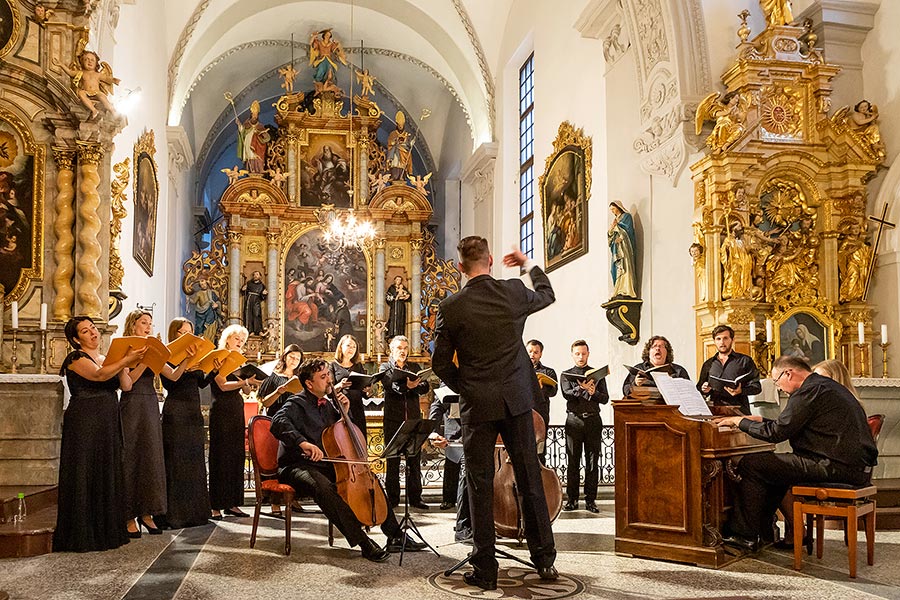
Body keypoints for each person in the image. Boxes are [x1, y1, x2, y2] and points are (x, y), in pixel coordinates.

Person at [432, 237, 558, 590]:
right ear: (490, 260)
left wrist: (468, 385)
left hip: (478, 403)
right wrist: (527, 263)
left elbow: (439, 363)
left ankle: (485, 568)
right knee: (530, 478)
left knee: (479, 483)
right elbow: (547, 294)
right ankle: (544, 559)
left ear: (460, 267)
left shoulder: (452, 306)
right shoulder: (514, 292)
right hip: (517, 400)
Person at [715, 356, 878, 553]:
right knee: (775, 469)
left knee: (752, 464)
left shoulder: (808, 391)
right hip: (850, 466)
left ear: (789, 373)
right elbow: (793, 425)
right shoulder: (823, 386)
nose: (778, 387)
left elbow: (777, 433)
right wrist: (759, 420)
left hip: (834, 466)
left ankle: (743, 536)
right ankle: (762, 530)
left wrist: (739, 422)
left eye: (776, 381)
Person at [270, 359, 427, 561]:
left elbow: (342, 434)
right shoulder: (296, 403)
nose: (330, 380)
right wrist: (303, 443)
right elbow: (277, 422)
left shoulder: (328, 405)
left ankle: (395, 535)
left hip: (324, 464)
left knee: (371, 479)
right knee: (324, 488)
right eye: (323, 377)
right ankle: (363, 542)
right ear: (309, 384)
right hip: (296, 466)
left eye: (329, 375)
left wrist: (345, 412)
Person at [54, 317, 145, 552]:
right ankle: (83, 534)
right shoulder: (76, 358)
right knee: (85, 471)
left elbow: (125, 386)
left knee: (106, 469)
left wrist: (126, 365)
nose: (93, 333)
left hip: (107, 421)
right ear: (76, 339)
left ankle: (105, 531)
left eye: (93, 328)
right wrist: (124, 359)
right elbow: (98, 376)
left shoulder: (107, 360)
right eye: (86, 331)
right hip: (85, 421)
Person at [119, 310, 192, 537]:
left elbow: (172, 376)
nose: (148, 327)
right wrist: (145, 361)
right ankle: (128, 515)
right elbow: (127, 383)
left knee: (150, 456)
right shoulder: (125, 348)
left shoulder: (153, 348)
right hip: (132, 405)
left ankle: (147, 513)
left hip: (150, 404)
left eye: (150, 323)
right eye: (143, 323)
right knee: (131, 456)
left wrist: (188, 359)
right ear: (133, 325)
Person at [160, 318, 212, 529]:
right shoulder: (167, 355)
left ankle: (196, 513)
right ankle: (176, 515)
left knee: (194, 461)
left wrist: (215, 368)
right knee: (177, 461)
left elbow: (201, 382)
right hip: (176, 412)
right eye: (183, 332)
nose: (187, 336)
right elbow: (171, 381)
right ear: (175, 334)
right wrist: (186, 362)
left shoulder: (195, 356)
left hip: (192, 412)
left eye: (190, 332)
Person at [209, 324, 262, 520]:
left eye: (242, 340)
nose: (240, 342)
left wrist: (249, 381)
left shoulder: (240, 361)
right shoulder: (219, 357)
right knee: (220, 456)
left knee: (235, 456)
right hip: (221, 409)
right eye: (237, 338)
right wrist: (244, 382)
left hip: (235, 409)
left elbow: (247, 392)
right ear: (227, 339)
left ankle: (232, 503)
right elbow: (221, 385)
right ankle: (215, 505)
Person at [378, 335, 430, 509]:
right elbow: (390, 387)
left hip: (413, 419)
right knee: (393, 459)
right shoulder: (385, 367)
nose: (403, 351)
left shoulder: (414, 367)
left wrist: (415, 386)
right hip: (394, 420)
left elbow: (425, 386)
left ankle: (415, 498)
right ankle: (392, 498)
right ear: (391, 350)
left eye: (405, 348)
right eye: (399, 348)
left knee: (413, 459)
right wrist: (407, 386)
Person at [561, 339, 609, 513]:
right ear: (572, 355)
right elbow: (567, 395)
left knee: (592, 463)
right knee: (573, 462)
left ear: (588, 353)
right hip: (574, 421)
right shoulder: (566, 375)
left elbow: (605, 398)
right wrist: (581, 389)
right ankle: (572, 500)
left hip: (593, 420)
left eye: (583, 353)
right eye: (577, 354)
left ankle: (591, 501)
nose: (581, 357)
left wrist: (593, 392)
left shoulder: (598, 374)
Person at [697, 325, 761, 415]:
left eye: (725, 338)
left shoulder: (745, 361)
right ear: (714, 341)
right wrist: (704, 389)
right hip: (716, 411)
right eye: (718, 339)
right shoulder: (708, 364)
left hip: (740, 410)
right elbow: (699, 387)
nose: (722, 342)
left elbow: (757, 388)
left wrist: (741, 391)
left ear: (732, 340)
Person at [622, 336, 691, 397]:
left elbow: (689, 391)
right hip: (645, 408)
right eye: (654, 346)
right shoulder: (639, 369)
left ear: (667, 352)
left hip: (671, 408)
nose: (658, 348)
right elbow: (625, 390)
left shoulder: (679, 371)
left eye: (661, 346)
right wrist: (635, 384)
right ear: (648, 352)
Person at [330, 334, 369, 436]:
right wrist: (340, 385)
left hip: (357, 408)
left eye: (354, 347)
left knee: (359, 438)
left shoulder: (358, 366)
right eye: (348, 346)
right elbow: (328, 392)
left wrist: (367, 390)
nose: (351, 349)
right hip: (340, 408)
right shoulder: (333, 366)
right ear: (341, 346)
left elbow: (364, 393)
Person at [526, 339, 557, 464]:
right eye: (530, 352)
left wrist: (540, 389)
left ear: (541, 354)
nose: (532, 355)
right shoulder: (518, 370)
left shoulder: (548, 372)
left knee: (540, 451)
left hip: (541, 416)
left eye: (536, 352)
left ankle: (540, 481)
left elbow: (553, 392)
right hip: (523, 413)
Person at [258, 344, 304, 417]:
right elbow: (265, 403)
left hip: (298, 418)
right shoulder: (273, 376)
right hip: (277, 417)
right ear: (285, 357)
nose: (294, 360)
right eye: (291, 357)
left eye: (297, 359)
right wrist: (277, 392)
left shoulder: (302, 378)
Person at [608, 201, 637, 299]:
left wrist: (621, 237)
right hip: (616, 247)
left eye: (613, 209)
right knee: (614, 268)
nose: (612, 211)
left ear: (618, 207)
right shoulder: (615, 220)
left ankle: (626, 288)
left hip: (624, 247)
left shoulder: (626, 217)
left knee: (625, 265)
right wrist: (611, 229)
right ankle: (619, 288)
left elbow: (628, 230)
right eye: (611, 210)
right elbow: (610, 234)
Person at [236, 100, 269, 173]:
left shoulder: (260, 126)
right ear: (251, 114)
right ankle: (250, 169)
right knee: (250, 155)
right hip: (248, 141)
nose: (254, 116)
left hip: (258, 145)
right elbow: (242, 131)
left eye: (256, 115)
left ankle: (259, 169)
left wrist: (263, 134)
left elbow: (265, 137)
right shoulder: (247, 124)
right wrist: (239, 125)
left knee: (258, 156)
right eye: (253, 114)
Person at [241, 270, 267, 335]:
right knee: (249, 315)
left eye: (257, 274)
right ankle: (250, 331)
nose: (255, 276)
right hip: (249, 300)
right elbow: (243, 292)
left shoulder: (262, 285)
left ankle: (258, 330)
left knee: (257, 314)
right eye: (254, 274)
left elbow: (262, 296)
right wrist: (243, 289)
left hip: (257, 300)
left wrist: (264, 294)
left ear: (260, 276)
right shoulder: (249, 283)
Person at [385, 275, 411, 340]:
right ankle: (392, 333)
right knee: (393, 318)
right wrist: (396, 297)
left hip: (401, 306)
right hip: (394, 306)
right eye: (397, 280)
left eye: (400, 280)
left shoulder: (402, 287)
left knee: (400, 318)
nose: (398, 281)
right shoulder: (392, 288)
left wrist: (406, 296)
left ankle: (400, 333)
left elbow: (408, 295)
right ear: (395, 280)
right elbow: (388, 297)